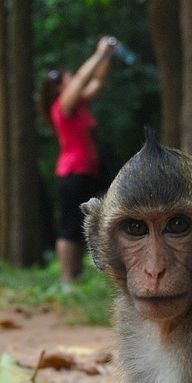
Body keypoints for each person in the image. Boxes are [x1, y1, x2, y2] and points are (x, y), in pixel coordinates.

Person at [38, 36, 116, 288]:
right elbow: (84, 79)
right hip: (72, 172)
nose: (74, 79)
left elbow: (97, 81)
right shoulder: (63, 106)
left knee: (91, 221)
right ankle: (66, 278)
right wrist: (97, 52)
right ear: (60, 88)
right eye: (68, 78)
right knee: (71, 223)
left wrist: (106, 56)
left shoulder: (81, 104)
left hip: (90, 170)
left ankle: (78, 273)